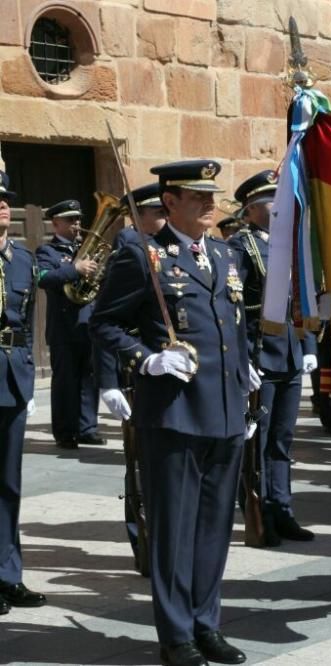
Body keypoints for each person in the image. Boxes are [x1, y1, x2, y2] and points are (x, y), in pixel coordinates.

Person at [90, 159, 254, 666]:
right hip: (176, 413)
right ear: (170, 203)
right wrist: (148, 359)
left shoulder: (226, 255)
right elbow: (104, 324)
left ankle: (207, 624)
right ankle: (176, 635)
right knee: (174, 529)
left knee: (213, 530)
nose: (210, 204)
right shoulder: (144, 257)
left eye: (211, 196)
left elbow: (232, 325)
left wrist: (245, 376)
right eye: (197, 196)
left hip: (224, 412)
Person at [229, 170, 317, 547]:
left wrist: (310, 347)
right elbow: (232, 309)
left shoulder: (291, 246)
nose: (278, 206)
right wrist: (241, 359)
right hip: (259, 359)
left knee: (282, 438)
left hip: (291, 359)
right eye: (270, 200)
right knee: (257, 440)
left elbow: (304, 300)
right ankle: (259, 511)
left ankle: (282, 509)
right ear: (250, 211)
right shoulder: (241, 247)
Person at [95, 183, 168, 575]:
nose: (163, 216)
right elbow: (104, 321)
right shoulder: (129, 253)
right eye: (157, 210)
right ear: (139, 214)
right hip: (134, 372)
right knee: (139, 466)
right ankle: (142, 540)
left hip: (169, 373)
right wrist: (107, 381)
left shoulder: (176, 252)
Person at [0, 169, 47, 614]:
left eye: (5, 199)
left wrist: (28, 376)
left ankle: (8, 575)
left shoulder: (21, 259)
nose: (2, 204)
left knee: (9, 485)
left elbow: (27, 318)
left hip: (12, 378)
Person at [35, 199, 102, 449]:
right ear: (55, 223)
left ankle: (87, 428)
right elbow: (44, 279)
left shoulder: (86, 249)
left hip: (87, 324)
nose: (77, 224)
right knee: (65, 381)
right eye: (71, 220)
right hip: (63, 327)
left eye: (78, 219)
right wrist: (75, 269)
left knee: (89, 379)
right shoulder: (47, 252)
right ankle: (65, 432)